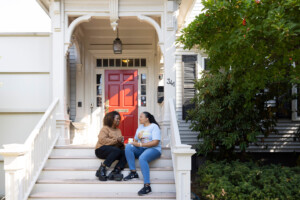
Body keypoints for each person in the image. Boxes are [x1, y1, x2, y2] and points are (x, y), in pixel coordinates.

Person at [123, 111, 161, 196]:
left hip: (153, 149)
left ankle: (147, 186)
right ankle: (133, 173)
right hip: (142, 149)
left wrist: (140, 144)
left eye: (141, 117)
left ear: (147, 119)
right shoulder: (140, 128)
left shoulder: (154, 127)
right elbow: (136, 140)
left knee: (142, 158)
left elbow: (155, 142)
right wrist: (133, 143)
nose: (139, 118)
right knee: (129, 147)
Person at [95, 111, 126, 181]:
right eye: (117, 119)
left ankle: (115, 171)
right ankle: (102, 168)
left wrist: (121, 143)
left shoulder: (118, 130)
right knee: (116, 150)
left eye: (119, 119)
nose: (119, 120)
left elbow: (118, 144)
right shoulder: (105, 128)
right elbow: (102, 140)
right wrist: (116, 140)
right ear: (111, 119)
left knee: (126, 152)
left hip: (114, 151)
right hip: (100, 150)